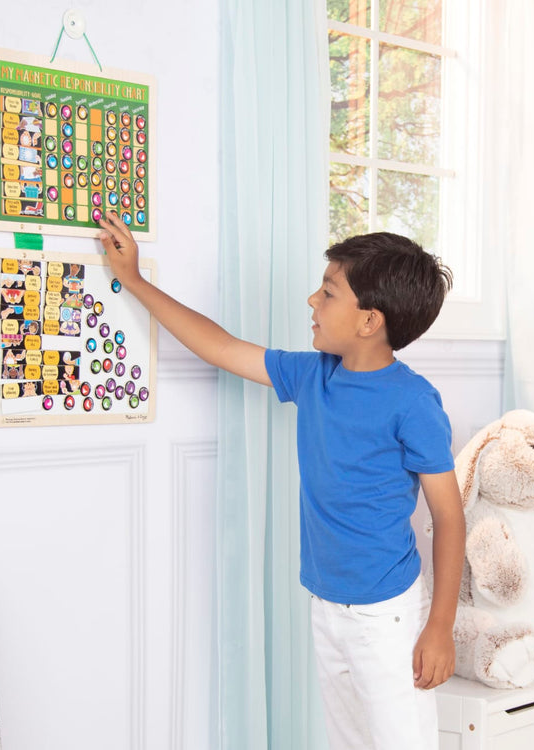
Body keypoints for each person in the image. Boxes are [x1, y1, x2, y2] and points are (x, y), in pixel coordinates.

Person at [98, 212, 465, 750]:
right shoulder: (312, 375)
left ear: (369, 321)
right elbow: (219, 347)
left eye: (329, 293)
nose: (313, 302)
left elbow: (450, 519)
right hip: (325, 603)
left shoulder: (413, 402)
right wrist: (132, 281)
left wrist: (440, 627)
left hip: (387, 614)